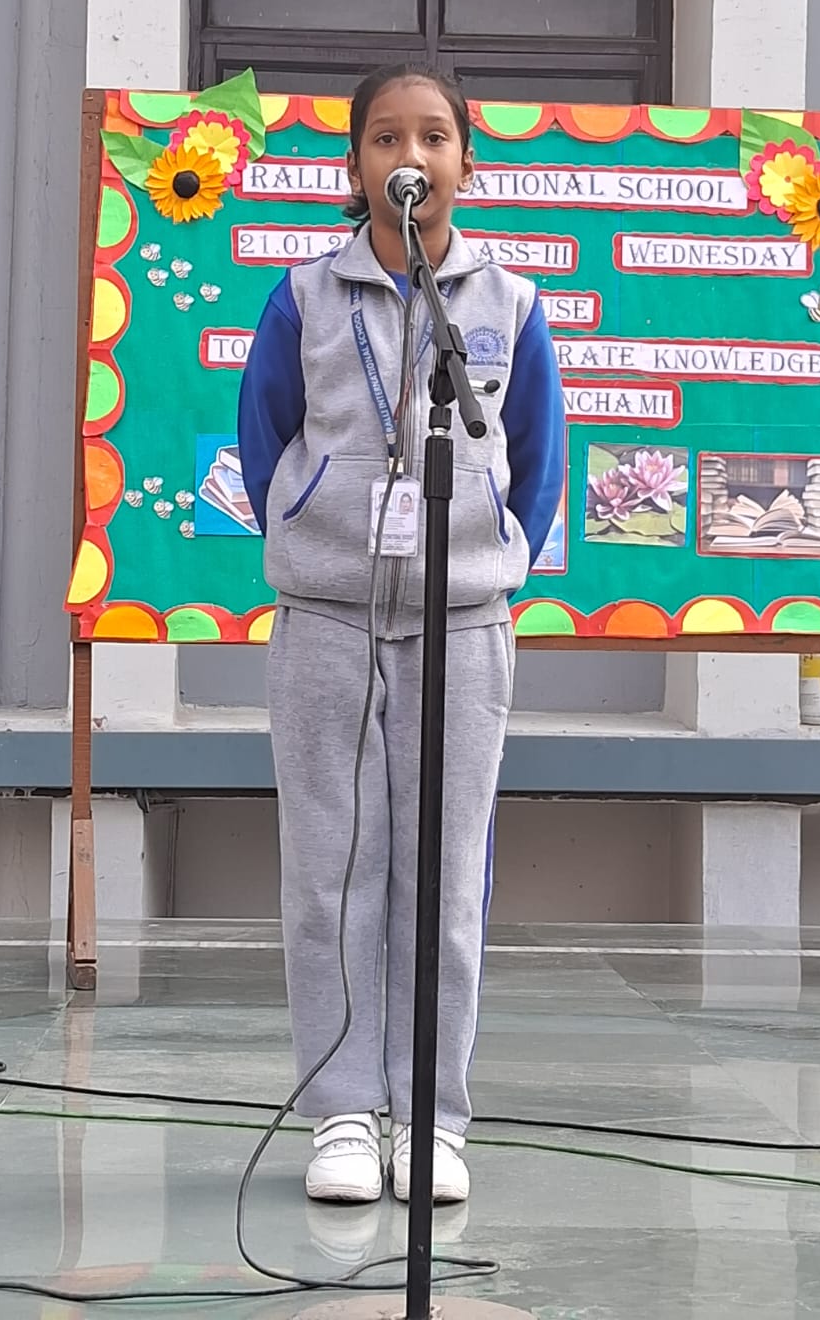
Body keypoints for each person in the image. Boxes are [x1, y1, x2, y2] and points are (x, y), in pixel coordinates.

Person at [238, 66, 565, 1207]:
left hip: (462, 622)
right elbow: (266, 431)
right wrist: (313, 523)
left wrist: (487, 552)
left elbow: (537, 457)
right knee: (331, 868)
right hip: (327, 616)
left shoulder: (510, 303)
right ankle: (341, 1110)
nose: (409, 156)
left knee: (446, 873)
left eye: (432, 136)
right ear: (357, 162)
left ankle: (431, 1116)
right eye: (386, 137)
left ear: (465, 160)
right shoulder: (303, 297)